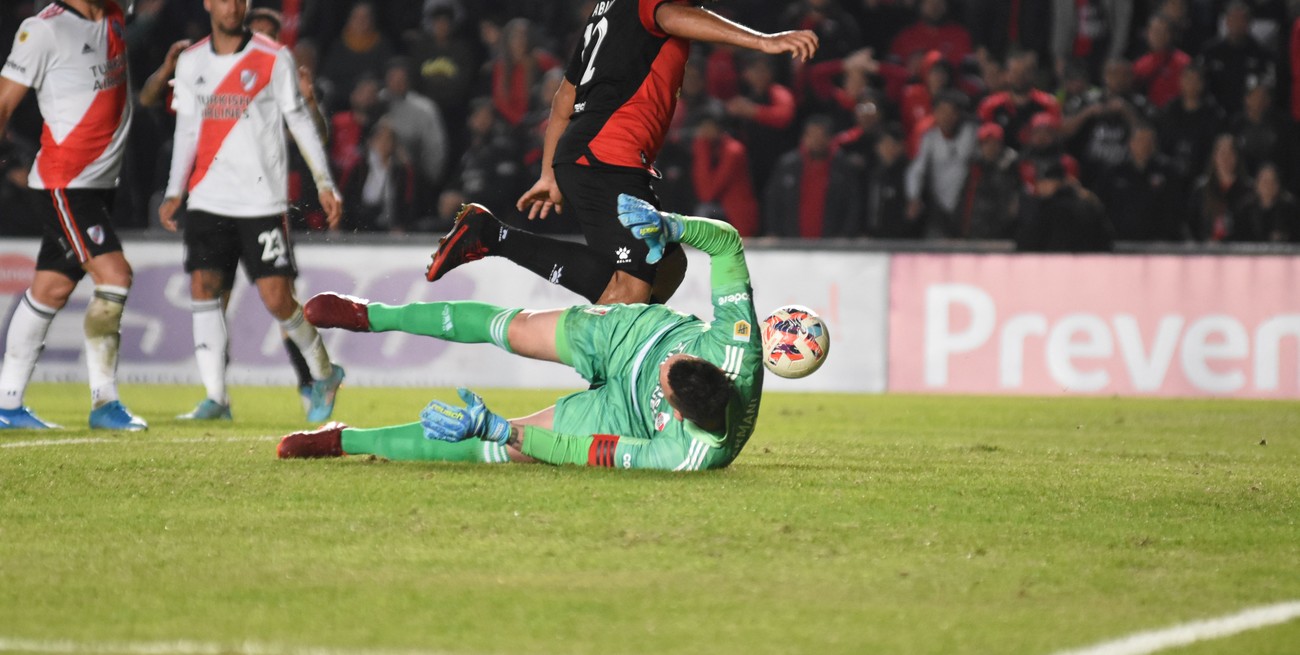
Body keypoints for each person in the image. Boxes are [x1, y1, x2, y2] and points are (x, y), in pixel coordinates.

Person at [279, 195, 765, 472]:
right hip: (632, 337)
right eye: (682, 359)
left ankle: (344, 440)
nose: (669, 364)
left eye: (669, 374)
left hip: (622, 417)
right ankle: (371, 315)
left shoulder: (681, 455)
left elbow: (580, 451)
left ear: (677, 413)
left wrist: (502, 430)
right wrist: (671, 226)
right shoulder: (737, 348)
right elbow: (727, 245)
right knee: (512, 328)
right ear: (709, 365)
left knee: (498, 449)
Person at [425, 2, 818, 309]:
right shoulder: (651, 6)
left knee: (668, 266)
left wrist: (548, 173)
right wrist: (763, 41)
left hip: (590, 152)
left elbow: (564, 98)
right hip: (608, 156)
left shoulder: (607, 12)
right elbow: (670, 14)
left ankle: (624, 347)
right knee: (628, 290)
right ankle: (492, 235)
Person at [159, 0, 344, 421]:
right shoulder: (191, 61)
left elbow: (298, 120)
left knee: (278, 299)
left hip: (261, 200)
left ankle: (324, 372)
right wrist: (174, 190)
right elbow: (187, 130)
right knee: (204, 288)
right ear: (208, 3)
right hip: (207, 196)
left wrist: (324, 182)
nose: (232, 6)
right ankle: (216, 397)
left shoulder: (273, 57)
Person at [0, 0, 147, 430]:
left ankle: (6, 404)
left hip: (100, 185)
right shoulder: (43, 30)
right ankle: (105, 402)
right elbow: (3, 103)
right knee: (115, 276)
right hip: (66, 185)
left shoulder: (114, 12)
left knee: (50, 289)